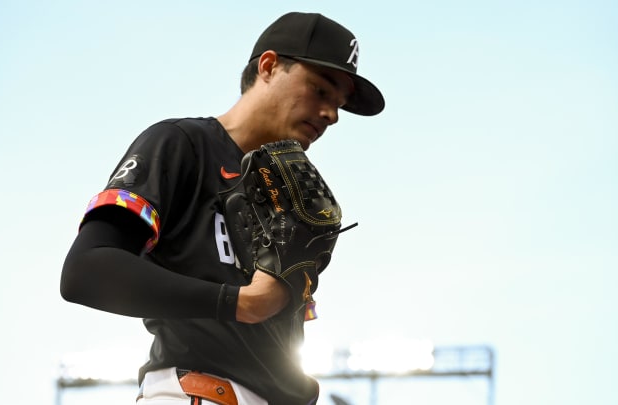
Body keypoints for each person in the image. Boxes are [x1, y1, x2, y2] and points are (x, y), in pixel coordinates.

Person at [60, 11, 384, 405]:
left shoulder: (295, 200)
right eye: (320, 89)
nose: (331, 115)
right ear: (268, 66)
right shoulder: (183, 144)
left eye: (339, 104)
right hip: (198, 394)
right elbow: (86, 268)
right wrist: (239, 302)